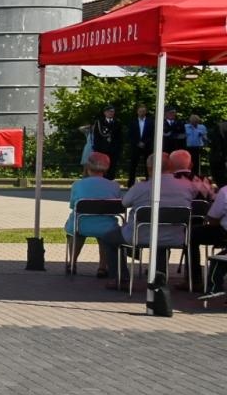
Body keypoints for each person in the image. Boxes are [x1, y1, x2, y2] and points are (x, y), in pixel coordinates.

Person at [101, 151, 195, 287]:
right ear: (171, 167)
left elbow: (124, 203)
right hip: (175, 236)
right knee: (161, 242)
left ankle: (120, 278)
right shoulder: (186, 187)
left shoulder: (140, 188)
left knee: (108, 238)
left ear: (150, 169)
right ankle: (159, 277)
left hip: (141, 235)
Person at [64, 151, 122, 277]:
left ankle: (72, 262)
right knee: (104, 235)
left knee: (75, 232)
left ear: (88, 167)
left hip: (82, 224)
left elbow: (73, 205)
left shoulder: (77, 184)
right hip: (106, 226)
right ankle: (102, 267)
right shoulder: (114, 186)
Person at [126, 104, 153, 186]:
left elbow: (152, 134)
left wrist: (144, 142)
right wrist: (137, 142)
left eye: (143, 111)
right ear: (137, 112)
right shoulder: (132, 122)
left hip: (147, 146)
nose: (142, 113)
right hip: (135, 146)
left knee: (147, 164)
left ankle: (149, 182)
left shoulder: (150, 122)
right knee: (133, 165)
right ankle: (131, 183)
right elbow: (130, 135)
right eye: (140, 111)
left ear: (146, 112)